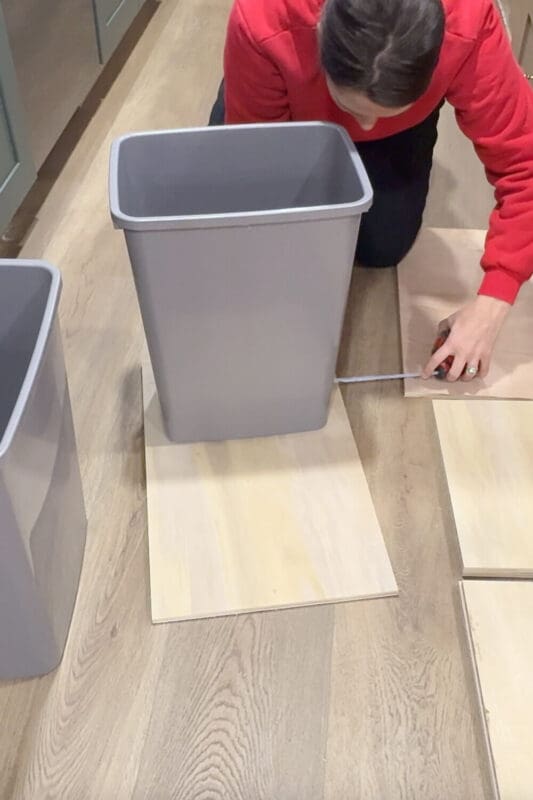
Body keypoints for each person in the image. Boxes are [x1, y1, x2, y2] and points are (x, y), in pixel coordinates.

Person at [210, 0, 533, 382]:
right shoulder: (266, 17)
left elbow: (524, 163)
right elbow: (262, 167)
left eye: (381, 110)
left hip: (402, 126)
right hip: (287, 101)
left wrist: (492, 303)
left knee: (383, 247)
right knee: (245, 228)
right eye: (353, 107)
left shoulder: (469, 20)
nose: (362, 127)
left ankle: (384, 111)